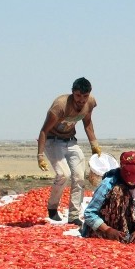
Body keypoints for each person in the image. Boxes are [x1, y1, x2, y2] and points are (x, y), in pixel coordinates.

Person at [37, 77, 102, 225]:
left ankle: (73, 216)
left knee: (79, 177)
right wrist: (40, 155)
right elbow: (44, 131)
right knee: (63, 174)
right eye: (78, 96)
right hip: (52, 141)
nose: (81, 100)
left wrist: (94, 145)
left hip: (71, 141)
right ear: (73, 93)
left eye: (85, 96)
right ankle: (53, 208)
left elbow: (88, 123)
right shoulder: (60, 106)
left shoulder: (90, 103)